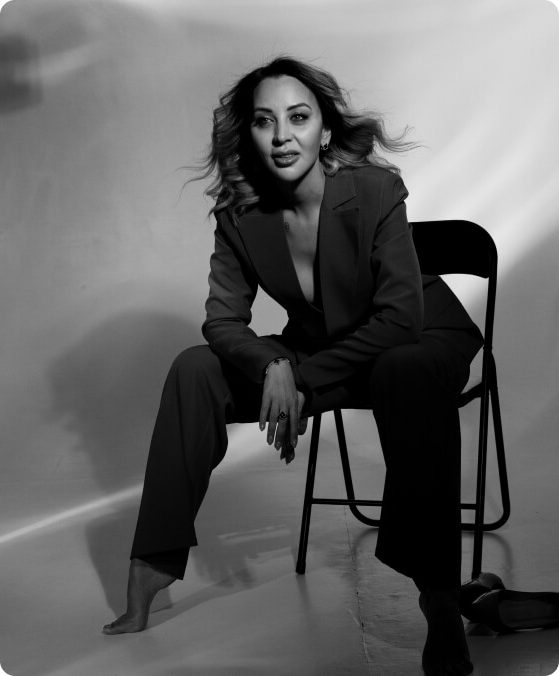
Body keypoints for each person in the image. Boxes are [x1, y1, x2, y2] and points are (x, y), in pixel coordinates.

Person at [103, 56, 484, 676]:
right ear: (250, 135)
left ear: (325, 130)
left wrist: (299, 377)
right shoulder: (241, 215)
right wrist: (275, 363)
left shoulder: (374, 190)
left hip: (418, 339)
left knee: (404, 370)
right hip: (325, 349)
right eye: (264, 121)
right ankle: (151, 565)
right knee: (195, 368)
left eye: (298, 118)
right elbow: (222, 323)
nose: (282, 136)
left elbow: (398, 318)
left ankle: (439, 601)